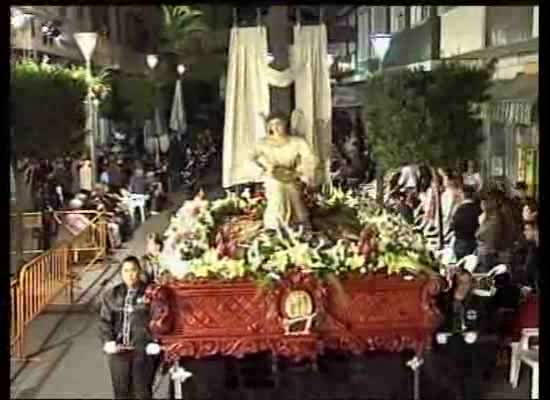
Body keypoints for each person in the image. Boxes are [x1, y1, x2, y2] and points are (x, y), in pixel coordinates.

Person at [99, 256, 160, 399]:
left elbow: (158, 318)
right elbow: (105, 321)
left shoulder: (151, 293)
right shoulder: (112, 294)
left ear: (139, 271)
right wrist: (108, 341)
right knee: (121, 393)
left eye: (133, 270)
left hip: (142, 351)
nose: (130, 274)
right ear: (121, 273)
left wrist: (154, 341)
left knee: (142, 392)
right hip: (119, 352)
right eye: (126, 271)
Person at [250, 111, 317, 230]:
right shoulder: (263, 143)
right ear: (269, 126)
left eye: (279, 124)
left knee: (292, 189)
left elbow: (310, 158)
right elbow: (251, 158)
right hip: (272, 176)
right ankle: (276, 223)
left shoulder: (296, 142)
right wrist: (267, 168)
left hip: (291, 175)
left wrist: (298, 171)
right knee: (278, 188)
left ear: (285, 125)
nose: (276, 127)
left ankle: (298, 221)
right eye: (273, 124)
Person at [475, 192, 504, 273]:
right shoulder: (485, 216)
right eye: (481, 202)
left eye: (484, 202)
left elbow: (479, 234)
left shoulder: (495, 218)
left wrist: (481, 223)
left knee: (485, 275)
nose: (482, 204)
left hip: (488, 253)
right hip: (482, 251)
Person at [451, 185, 482, 260]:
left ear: (463, 194)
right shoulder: (478, 208)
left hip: (462, 241)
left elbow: (454, 224)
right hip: (473, 241)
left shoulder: (460, 209)